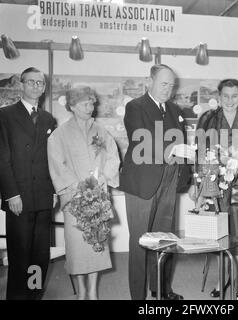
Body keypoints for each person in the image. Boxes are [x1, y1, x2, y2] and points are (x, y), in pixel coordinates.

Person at [119, 64, 194, 300]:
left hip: (169, 181)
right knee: (140, 242)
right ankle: (138, 297)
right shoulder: (135, 107)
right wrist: (172, 149)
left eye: (171, 86)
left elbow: (181, 145)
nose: (167, 90)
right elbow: (141, 139)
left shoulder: (175, 109)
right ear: (148, 81)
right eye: (163, 84)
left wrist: (188, 176)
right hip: (142, 183)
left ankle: (161, 290)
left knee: (164, 240)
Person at [193, 79, 238, 296]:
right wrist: (199, 185)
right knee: (220, 235)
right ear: (219, 96)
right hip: (215, 184)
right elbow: (200, 152)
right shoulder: (207, 118)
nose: (230, 101)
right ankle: (221, 279)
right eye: (226, 96)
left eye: (234, 96)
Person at [47, 87, 120, 299]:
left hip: (98, 197)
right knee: (78, 248)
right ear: (71, 106)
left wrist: (104, 177)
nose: (90, 108)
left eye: (91, 103)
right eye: (84, 104)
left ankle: (93, 291)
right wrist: (77, 187)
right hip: (75, 199)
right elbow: (57, 164)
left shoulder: (101, 131)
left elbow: (113, 157)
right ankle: (81, 292)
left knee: (98, 243)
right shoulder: (59, 135)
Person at [0, 67, 56, 300]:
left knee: (40, 255)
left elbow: (52, 159)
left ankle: (34, 296)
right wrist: (11, 194)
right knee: (20, 255)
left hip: (43, 197)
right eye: (31, 82)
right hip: (19, 197)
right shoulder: (5, 115)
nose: (36, 86)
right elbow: (2, 157)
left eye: (40, 83)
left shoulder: (48, 119)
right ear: (21, 85)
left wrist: (53, 192)